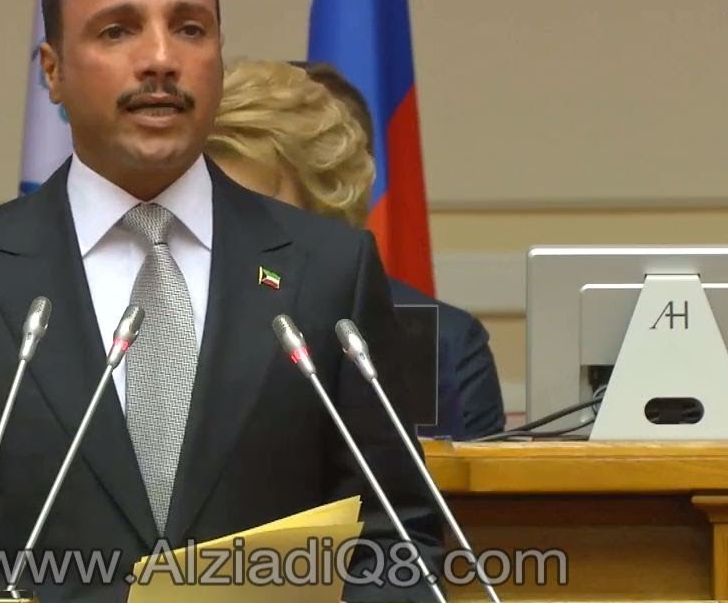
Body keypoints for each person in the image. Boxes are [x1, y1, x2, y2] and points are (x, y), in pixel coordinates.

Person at [0, 0, 443, 602]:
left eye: (190, 29)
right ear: (53, 71)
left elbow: (398, 540)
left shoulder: (328, 270)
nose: (160, 59)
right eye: (117, 30)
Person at [209, 59, 506, 440]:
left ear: (325, 216)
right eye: (213, 212)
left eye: (257, 214)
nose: (231, 236)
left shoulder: (424, 348)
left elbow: (437, 479)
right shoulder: (156, 327)